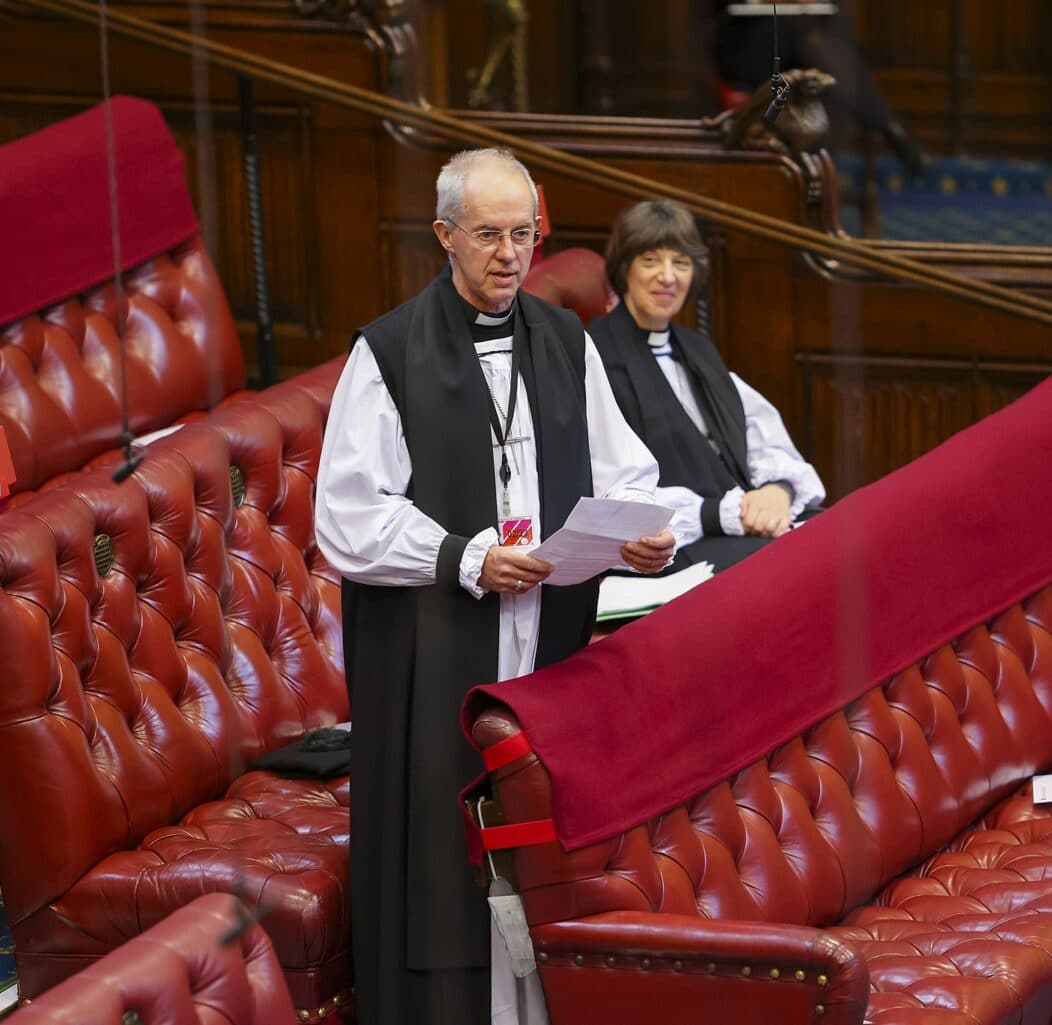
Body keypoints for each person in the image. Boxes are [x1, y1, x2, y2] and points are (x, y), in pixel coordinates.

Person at [313, 148, 675, 1025]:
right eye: (488, 235)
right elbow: (348, 517)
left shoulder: (564, 339)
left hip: (543, 634)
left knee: (535, 835)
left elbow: (622, 464)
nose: (510, 254)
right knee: (444, 853)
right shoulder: (388, 353)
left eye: (524, 233)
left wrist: (639, 535)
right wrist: (468, 556)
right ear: (445, 236)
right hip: (436, 647)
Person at [588, 199, 825, 573]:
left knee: (842, 537)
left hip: (738, 527)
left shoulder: (698, 349)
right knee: (797, 568)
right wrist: (722, 514)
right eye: (650, 260)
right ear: (624, 269)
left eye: (680, 263)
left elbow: (759, 434)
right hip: (673, 549)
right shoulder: (594, 356)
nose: (667, 277)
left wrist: (778, 491)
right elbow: (607, 490)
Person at [713, 0, 926, 177]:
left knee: (817, 39)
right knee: (811, 43)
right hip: (748, 44)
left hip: (800, 55)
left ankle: (816, 177)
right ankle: (888, 126)